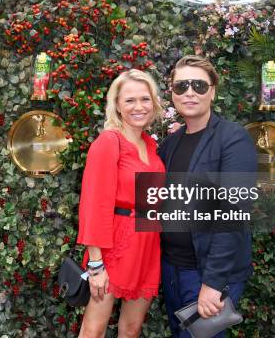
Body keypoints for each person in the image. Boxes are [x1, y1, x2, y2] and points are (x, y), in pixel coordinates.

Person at [157, 56, 257, 338]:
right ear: (172, 93)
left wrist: (213, 283)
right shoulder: (171, 144)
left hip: (208, 275)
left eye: (199, 85)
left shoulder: (232, 138)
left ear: (213, 91)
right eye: (182, 86)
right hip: (173, 269)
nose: (190, 92)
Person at [77, 69, 165, 338]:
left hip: (148, 244)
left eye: (145, 99)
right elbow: (93, 205)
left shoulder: (150, 145)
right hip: (114, 245)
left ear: (154, 102)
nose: (139, 107)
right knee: (95, 328)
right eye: (130, 100)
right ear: (116, 105)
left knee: (132, 328)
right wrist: (96, 264)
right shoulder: (109, 142)